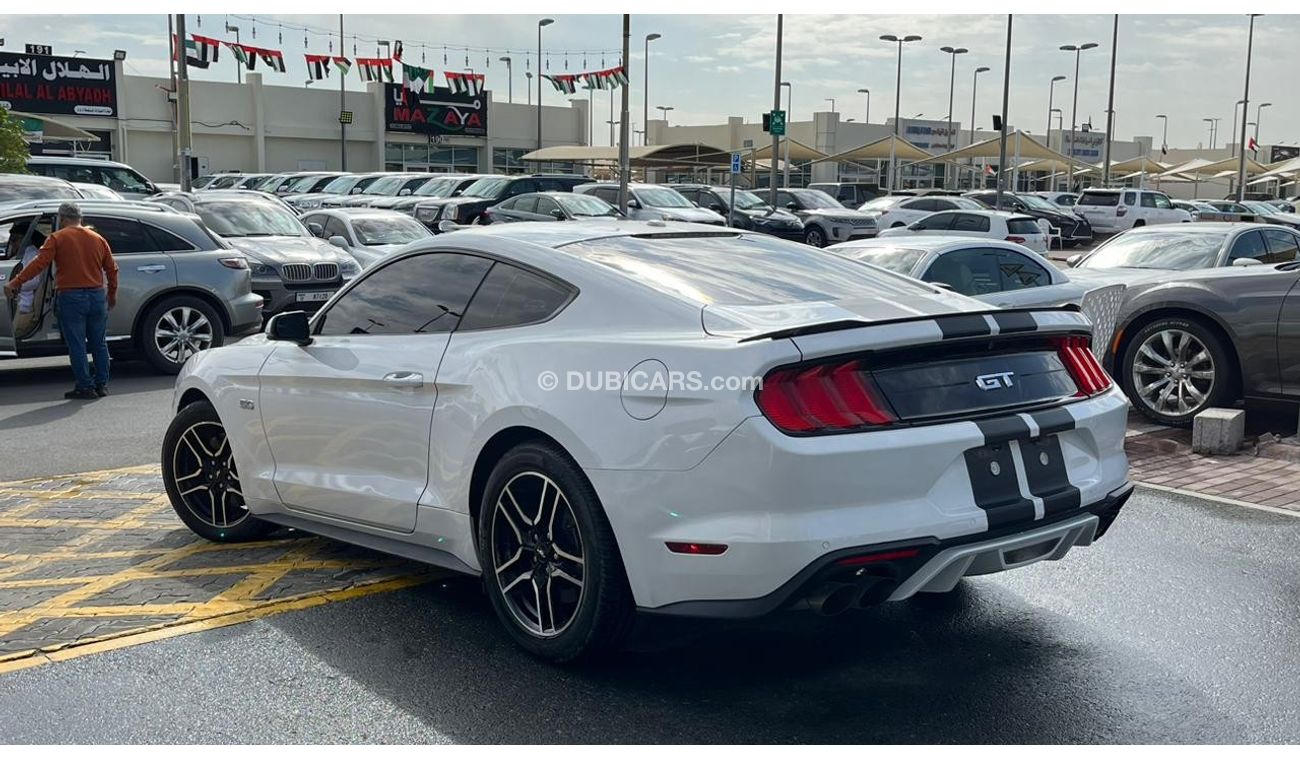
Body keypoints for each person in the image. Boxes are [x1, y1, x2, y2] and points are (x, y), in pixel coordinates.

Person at [3, 202, 118, 400]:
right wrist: (112, 294)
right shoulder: (98, 239)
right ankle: (101, 384)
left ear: (62, 219)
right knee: (99, 343)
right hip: (97, 295)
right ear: (80, 218)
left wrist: (15, 282)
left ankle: (85, 386)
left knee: (77, 344)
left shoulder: (57, 238)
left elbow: (39, 264)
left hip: (71, 297)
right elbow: (112, 269)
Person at [5, 220, 47, 338]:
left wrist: (13, 283)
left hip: (23, 305)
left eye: (15, 240)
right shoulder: (21, 254)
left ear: (25, 239)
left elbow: (32, 281)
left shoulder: (33, 254)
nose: (12, 244)